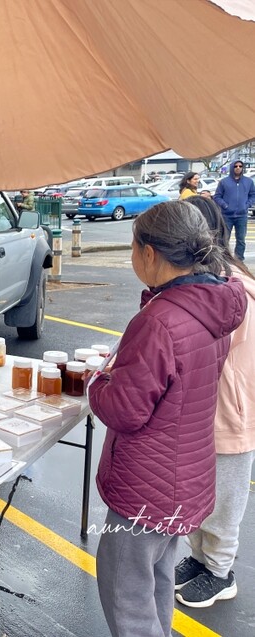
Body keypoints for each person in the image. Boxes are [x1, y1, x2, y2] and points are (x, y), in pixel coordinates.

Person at [88, 200, 245, 637]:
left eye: (133, 246)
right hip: (185, 477)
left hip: (147, 487)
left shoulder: (160, 320)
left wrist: (97, 383)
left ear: (150, 253)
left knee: (126, 595)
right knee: (154, 577)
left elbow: (126, 409)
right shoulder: (212, 307)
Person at [173, 196, 255, 609]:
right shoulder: (201, 282)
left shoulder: (234, 288)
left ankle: (221, 573)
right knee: (199, 492)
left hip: (231, 412)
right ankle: (200, 559)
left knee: (225, 498)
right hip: (202, 409)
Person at [214, 161, 255, 261]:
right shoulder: (224, 182)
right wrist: (225, 205)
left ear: (242, 168)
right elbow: (217, 196)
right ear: (232, 167)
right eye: (236, 166)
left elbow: (253, 195)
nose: (238, 168)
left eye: (240, 166)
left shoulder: (248, 182)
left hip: (242, 215)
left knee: (241, 239)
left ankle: (239, 259)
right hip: (226, 215)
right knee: (224, 239)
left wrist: (247, 205)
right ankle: (224, 259)